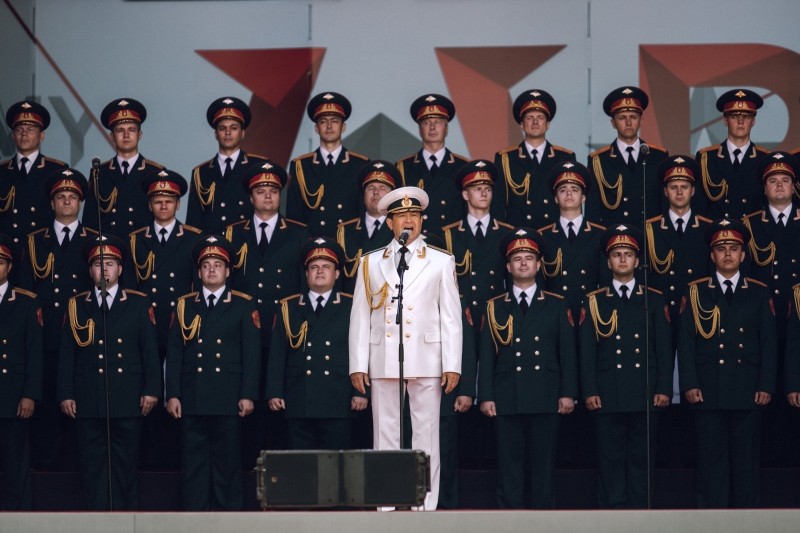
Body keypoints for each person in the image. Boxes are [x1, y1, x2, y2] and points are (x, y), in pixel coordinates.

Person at [349, 186, 462, 510]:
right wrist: (358, 363)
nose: (409, 220)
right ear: (390, 223)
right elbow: (360, 315)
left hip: (427, 357)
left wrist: (452, 364)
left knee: (426, 433)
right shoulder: (370, 261)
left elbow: (451, 317)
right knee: (385, 431)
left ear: (422, 220)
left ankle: (424, 503)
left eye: (414, 214)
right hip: (383, 356)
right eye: (401, 216)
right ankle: (386, 500)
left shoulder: (441, 260)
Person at [57, 234, 160, 510]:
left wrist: (152, 389)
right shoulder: (76, 304)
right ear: (90, 270)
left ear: (120, 269)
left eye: (110, 264)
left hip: (128, 396)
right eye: (98, 264)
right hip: (88, 397)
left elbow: (149, 351)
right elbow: (67, 353)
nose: (104, 269)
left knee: (126, 464)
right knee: (92, 467)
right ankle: (97, 520)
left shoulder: (138, 302)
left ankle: (126, 521)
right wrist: (66, 392)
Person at [678, 219, 777, 508]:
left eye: (733, 248)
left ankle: (747, 521)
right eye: (721, 249)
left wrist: (766, 384)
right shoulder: (695, 292)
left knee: (747, 462)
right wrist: (689, 382)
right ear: (712, 255)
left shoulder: (759, 291)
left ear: (743, 255)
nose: (728, 254)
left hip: (748, 389)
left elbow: (768, 342)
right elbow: (686, 341)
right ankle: (711, 521)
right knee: (710, 462)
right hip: (708, 388)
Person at [478, 227, 577, 509]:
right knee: (509, 464)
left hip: (546, 394)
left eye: (529, 258)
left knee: (544, 464)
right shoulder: (494, 306)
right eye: (517, 259)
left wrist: (568, 392)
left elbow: (567, 353)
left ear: (538, 264)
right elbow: (487, 354)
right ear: (508, 267)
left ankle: (543, 520)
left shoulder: (557, 304)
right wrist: (486, 395)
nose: (523, 263)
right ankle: (510, 519)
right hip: (507, 394)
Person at [579, 225, 673, 508]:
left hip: (645, 391)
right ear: (608, 262)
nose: (622, 259)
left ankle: (642, 515)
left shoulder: (653, 298)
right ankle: (612, 516)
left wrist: (664, 387)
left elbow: (664, 347)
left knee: (641, 458)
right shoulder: (594, 300)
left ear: (637, 260)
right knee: (610, 458)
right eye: (617, 254)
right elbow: (587, 350)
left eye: (628, 254)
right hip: (608, 391)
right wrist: (589, 389)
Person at [166, 236, 261, 510]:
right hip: (192, 395)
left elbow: (251, 354)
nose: (211, 270)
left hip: (228, 396)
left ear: (228, 271)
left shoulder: (243, 304)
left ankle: (228, 517)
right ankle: (195, 517)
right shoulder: (184, 305)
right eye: (206, 265)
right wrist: (173, 393)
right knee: (193, 462)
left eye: (218, 265)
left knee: (227, 462)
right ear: (198, 272)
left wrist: (248, 394)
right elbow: (174, 352)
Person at [225, 161, 310, 457]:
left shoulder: (299, 233)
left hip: (283, 333)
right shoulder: (234, 233)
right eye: (261, 191)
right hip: (243, 332)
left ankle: (280, 471)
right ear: (251, 197)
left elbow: (304, 288)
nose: (268, 196)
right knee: (245, 404)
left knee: (279, 406)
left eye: (273, 190)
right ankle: (248, 467)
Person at [20, 168, 96, 472]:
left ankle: (78, 465)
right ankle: (47, 467)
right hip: (46, 334)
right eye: (61, 196)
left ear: (80, 203)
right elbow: (27, 293)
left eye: (72, 197)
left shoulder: (94, 241)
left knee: (81, 403)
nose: (66, 201)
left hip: (83, 335)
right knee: (48, 404)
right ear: (52, 203)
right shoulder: (34, 241)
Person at [128, 169, 202, 470]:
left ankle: (173, 466)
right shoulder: (135, 241)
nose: (163, 205)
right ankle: (150, 467)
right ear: (149, 204)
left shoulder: (194, 240)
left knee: (177, 399)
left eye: (169, 200)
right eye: (158, 200)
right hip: (145, 331)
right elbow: (131, 291)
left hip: (181, 331)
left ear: (178, 204)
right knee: (146, 400)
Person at [644, 155, 712, 469]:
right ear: (665, 191)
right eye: (674, 186)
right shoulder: (649, 229)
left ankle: (688, 463)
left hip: (699, 320)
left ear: (693, 190)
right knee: (659, 392)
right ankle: (665, 462)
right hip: (659, 319)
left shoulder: (708, 229)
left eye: (685, 186)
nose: (680, 191)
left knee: (695, 391)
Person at [267, 237, 367, 449]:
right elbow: (277, 354)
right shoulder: (288, 307)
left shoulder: (352, 306)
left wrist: (360, 392)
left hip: (339, 398)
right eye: (314, 267)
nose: (320, 271)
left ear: (337, 273)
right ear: (306, 273)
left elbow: (362, 350)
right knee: (302, 463)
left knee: (336, 462)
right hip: (299, 397)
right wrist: (275, 391)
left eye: (326, 267)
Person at [741, 152, 800, 467]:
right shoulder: (749, 225)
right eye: (773, 181)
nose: (779, 185)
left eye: (785, 180)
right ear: (764, 188)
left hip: (798, 323)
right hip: (760, 323)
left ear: (794, 185)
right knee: (762, 397)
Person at [442, 160, 513, 340]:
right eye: (477, 189)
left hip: (496, 318)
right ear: (465, 194)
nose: (483, 193)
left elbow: (512, 283)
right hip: (461, 317)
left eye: (488, 189)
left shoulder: (506, 233)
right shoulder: (449, 235)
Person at [286, 92, 369, 238]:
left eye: (335, 121)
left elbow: (365, 215)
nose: (329, 126)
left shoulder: (360, 165)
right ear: (316, 128)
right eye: (323, 121)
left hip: (348, 243)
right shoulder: (300, 166)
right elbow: (294, 218)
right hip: (313, 245)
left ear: (343, 127)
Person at [0, 234, 43, 510]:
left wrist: (30, 394)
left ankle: (18, 516)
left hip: (13, 395)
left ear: (9, 266)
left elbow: (34, 353)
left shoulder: (27, 301)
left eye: (0, 262)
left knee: (15, 460)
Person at [586, 87, 669, 227]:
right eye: (622, 117)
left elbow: (665, 207)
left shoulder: (658, 157)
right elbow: (592, 213)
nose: (628, 123)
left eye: (633, 117)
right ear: (613, 123)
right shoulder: (598, 160)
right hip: (615, 237)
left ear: (641, 120)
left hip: (649, 236)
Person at [82, 98, 165, 239]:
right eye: (120, 130)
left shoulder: (155, 172)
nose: (126, 135)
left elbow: (163, 221)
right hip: (109, 249)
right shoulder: (99, 173)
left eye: (131, 130)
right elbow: (90, 222)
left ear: (139, 135)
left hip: (143, 248)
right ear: (111, 136)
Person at [492, 89, 576, 228]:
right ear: (521, 124)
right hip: (519, 235)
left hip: (554, 234)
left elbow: (573, 205)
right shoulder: (505, 159)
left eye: (540, 117)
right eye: (529, 118)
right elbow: (497, 206)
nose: (535, 122)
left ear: (547, 124)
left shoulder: (564, 158)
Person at [186, 97, 269, 235]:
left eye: (234, 128)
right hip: (212, 245)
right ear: (216, 134)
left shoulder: (258, 167)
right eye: (222, 128)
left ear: (242, 133)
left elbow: (269, 214)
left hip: (247, 243)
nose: (228, 132)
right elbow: (193, 222)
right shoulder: (201, 172)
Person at [537, 161, 608, 321]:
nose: (569, 194)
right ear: (556, 198)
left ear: (583, 197)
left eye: (574, 189)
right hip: (555, 316)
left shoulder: (600, 235)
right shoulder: (542, 236)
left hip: (589, 315)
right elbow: (540, 286)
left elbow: (605, 284)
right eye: (563, 190)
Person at [0, 101, 67, 250]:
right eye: (19, 130)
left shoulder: (56, 170)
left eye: (30, 129)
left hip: (42, 251)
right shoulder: (2, 171)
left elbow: (64, 217)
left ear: (41, 136)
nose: (24, 134)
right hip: (7, 252)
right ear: (13, 136)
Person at [396, 94, 469, 227]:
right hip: (418, 237)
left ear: (446, 129)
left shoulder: (463, 167)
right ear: (420, 130)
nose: (432, 127)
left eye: (438, 122)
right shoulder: (403, 167)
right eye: (426, 123)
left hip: (451, 238)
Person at [696, 89, 769, 220]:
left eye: (746, 116)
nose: (740, 121)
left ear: (753, 121)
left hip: (751, 232)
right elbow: (699, 207)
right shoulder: (706, 158)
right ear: (725, 121)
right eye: (734, 116)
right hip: (718, 231)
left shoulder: (764, 159)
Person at [337, 160, 397, 293]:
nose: (376, 192)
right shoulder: (344, 232)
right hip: (354, 302)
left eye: (383, 188)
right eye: (370, 188)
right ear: (363, 196)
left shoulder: (401, 230)